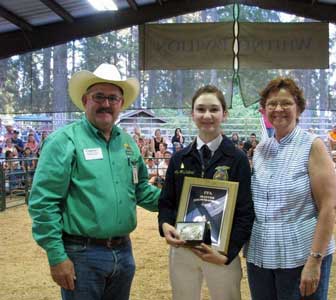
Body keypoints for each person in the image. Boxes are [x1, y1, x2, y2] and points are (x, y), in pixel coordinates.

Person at [28, 63, 161, 300]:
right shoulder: (64, 141)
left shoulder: (128, 143)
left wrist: (182, 198)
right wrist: (57, 256)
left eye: (113, 98)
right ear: (85, 100)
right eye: (99, 96)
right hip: (82, 253)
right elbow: (43, 202)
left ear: (121, 103)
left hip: (123, 251)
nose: (106, 103)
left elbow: (141, 190)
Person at [158, 85, 254, 300]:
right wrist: (165, 225)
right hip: (184, 246)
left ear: (224, 114)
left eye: (214, 109)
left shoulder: (237, 159)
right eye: (201, 109)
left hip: (221, 250)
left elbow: (246, 211)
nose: (207, 115)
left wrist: (227, 254)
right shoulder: (179, 158)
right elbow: (166, 202)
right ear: (192, 114)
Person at [246, 77, 336, 300]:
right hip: (260, 256)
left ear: (298, 108)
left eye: (286, 103)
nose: (278, 109)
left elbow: (329, 206)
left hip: (301, 256)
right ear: (264, 110)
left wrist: (315, 260)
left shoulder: (312, 145)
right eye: (272, 104)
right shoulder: (260, 150)